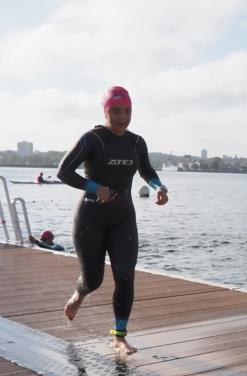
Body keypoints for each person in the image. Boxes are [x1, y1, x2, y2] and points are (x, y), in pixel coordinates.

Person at [58, 86, 168, 356]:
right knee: (93, 280)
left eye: (128, 111)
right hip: (90, 218)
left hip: (123, 219)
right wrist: (96, 187)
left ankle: (119, 336)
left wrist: (159, 187)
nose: (123, 117)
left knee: (125, 276)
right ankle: (78, 295)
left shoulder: (136, 142)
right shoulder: (92, 139)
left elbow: (147, 170)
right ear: (105, 111)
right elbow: (63, 171)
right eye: (116, 111)